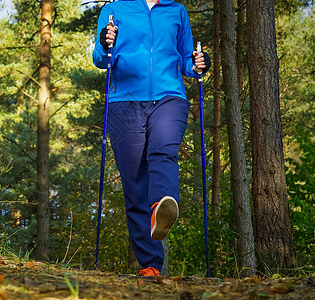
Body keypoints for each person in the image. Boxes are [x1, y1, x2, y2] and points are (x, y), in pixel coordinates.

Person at [92, 0, 210, 277]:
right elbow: (100, 58)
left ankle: (161, 205)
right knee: (134, 184)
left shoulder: (176, 10)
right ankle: (151, 266)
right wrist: (105, 42)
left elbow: (185, 60)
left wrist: (198, 64)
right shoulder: (114, 10)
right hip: (124, 100)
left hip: (169, 96)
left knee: (163, 151)